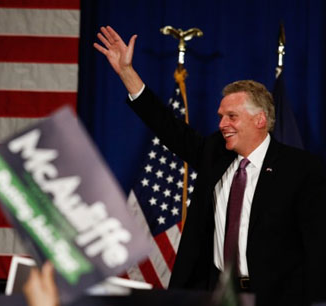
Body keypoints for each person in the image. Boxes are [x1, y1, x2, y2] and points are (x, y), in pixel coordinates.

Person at [94, 26, 326, 305]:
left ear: (260, 120)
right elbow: (167, 127)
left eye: (232, 116)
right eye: (220, 116)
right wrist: (126, 73)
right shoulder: (214, 154)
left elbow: (317, 246)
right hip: (214, 294)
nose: (222, 124)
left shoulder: (300, 168)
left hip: (276, 298)